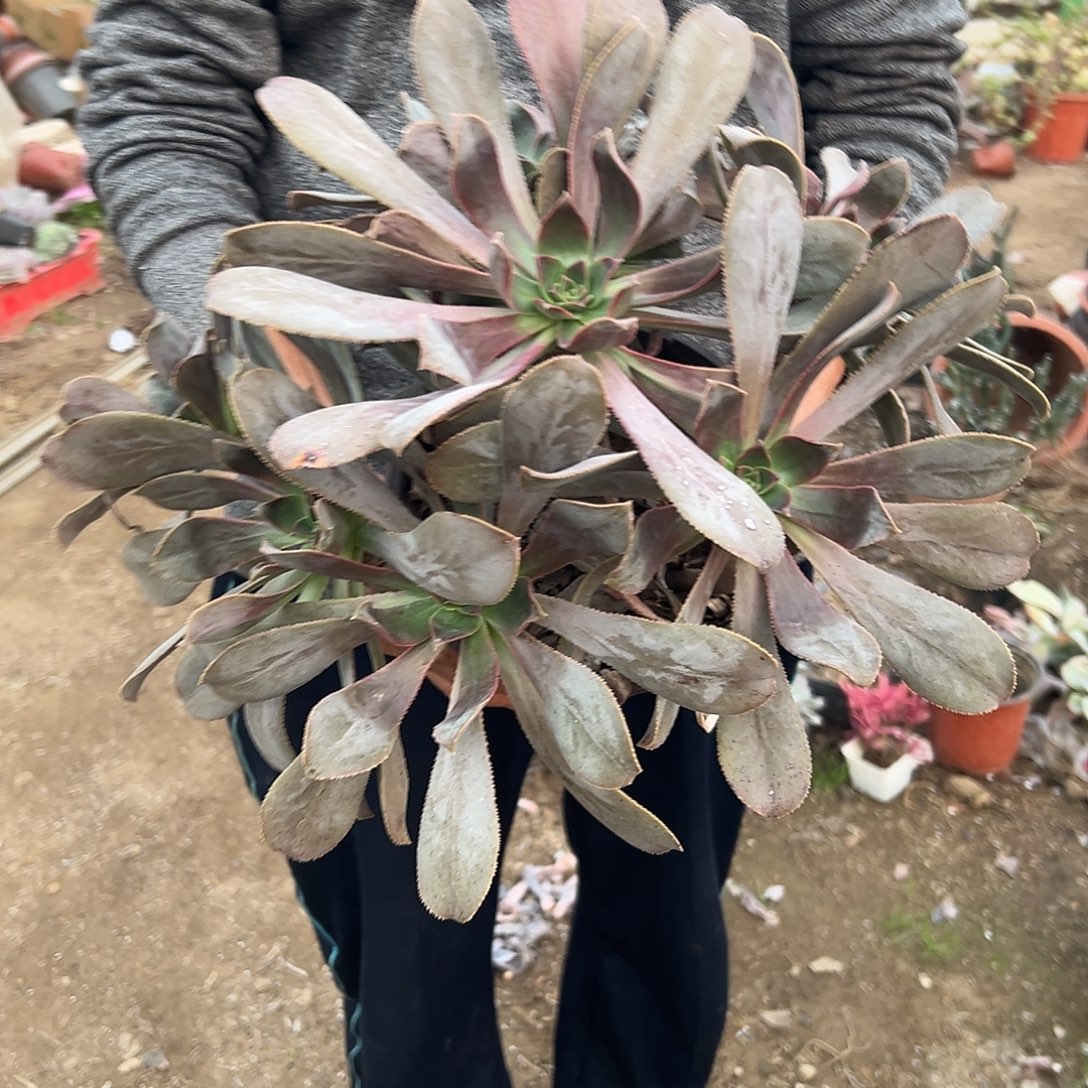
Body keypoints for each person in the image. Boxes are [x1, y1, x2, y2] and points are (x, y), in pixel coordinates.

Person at [79, 2, 966, 1085]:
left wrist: (806, 369)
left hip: (712, 526)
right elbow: (166, 81)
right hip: (340, 503)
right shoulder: (324, 462)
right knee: (408, 986)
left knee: (665, 931)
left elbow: (885, 83)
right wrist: (265, 382)